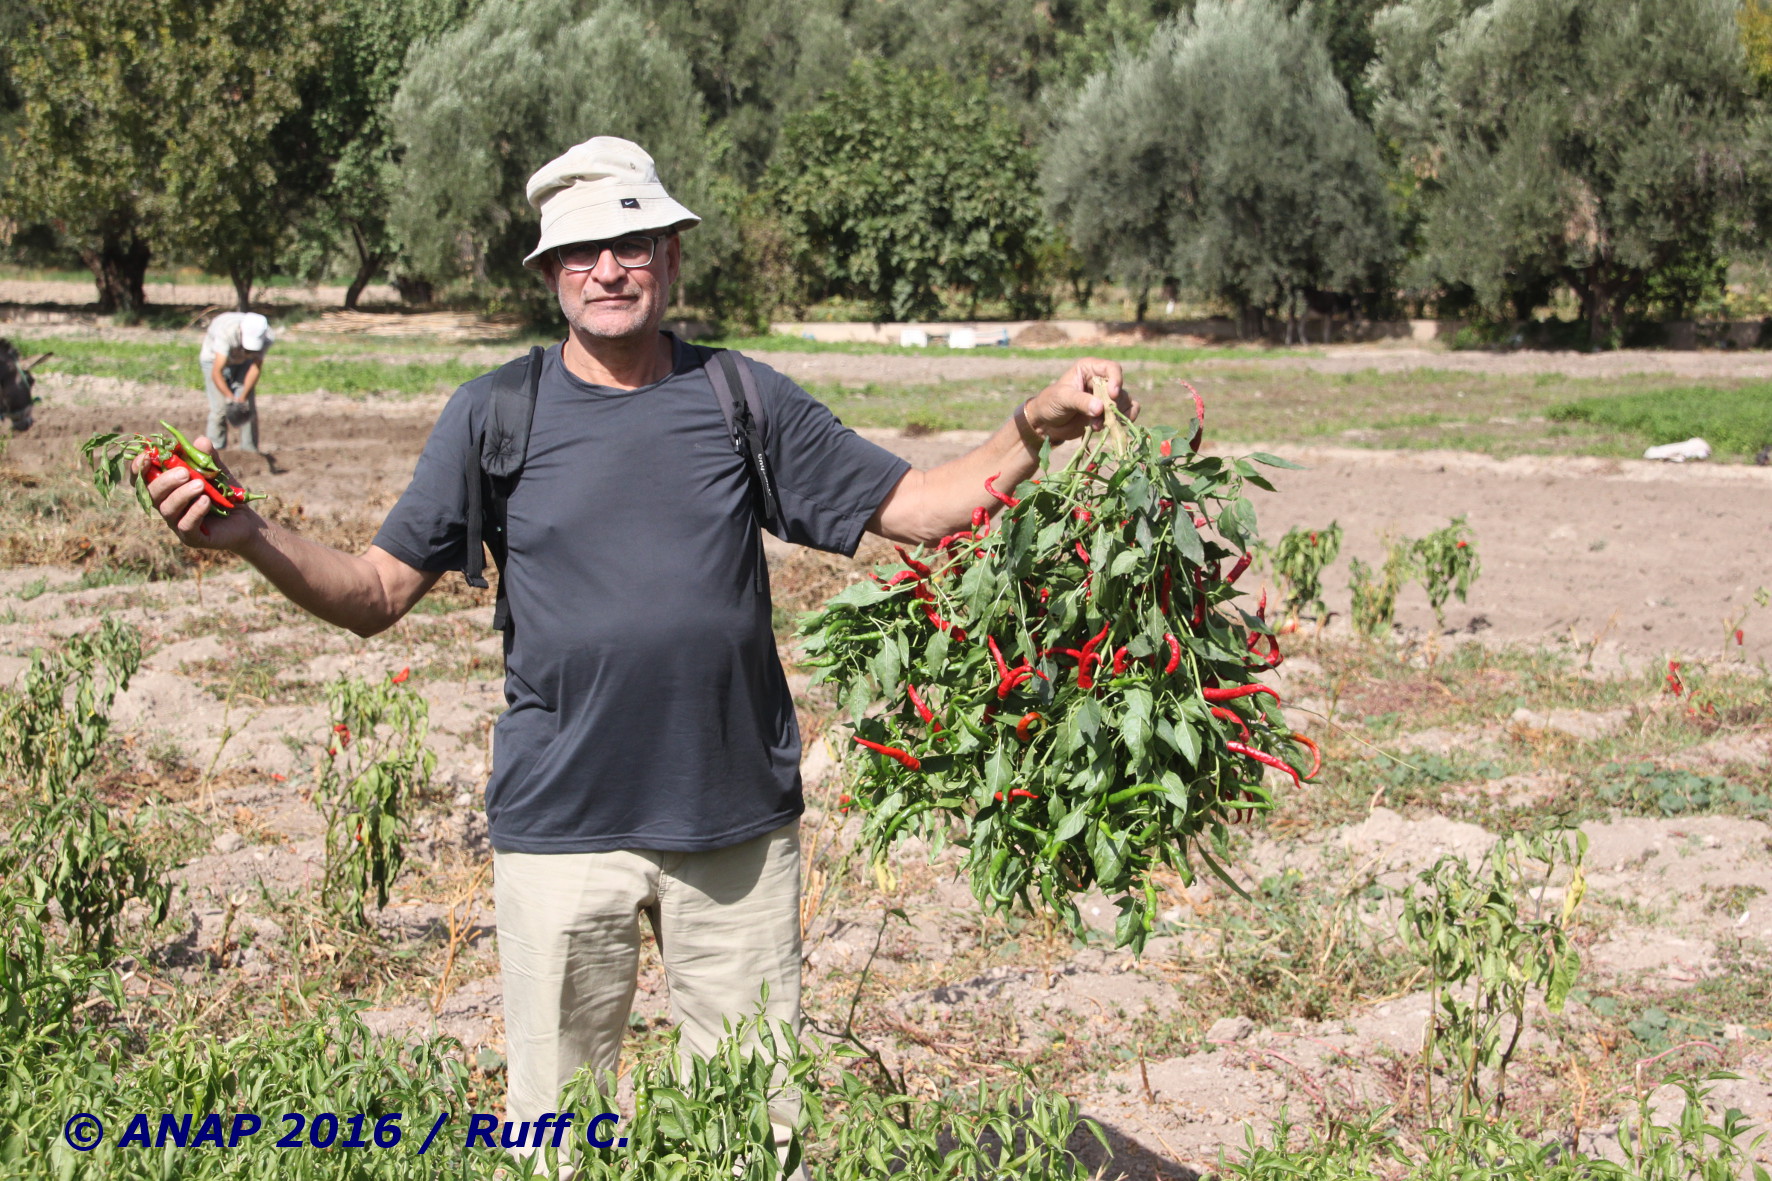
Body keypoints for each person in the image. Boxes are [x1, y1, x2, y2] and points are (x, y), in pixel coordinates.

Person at [141, 136, 1135, 1173]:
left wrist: (1036, 422)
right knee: (554, 1140)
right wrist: (250, 535)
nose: (607, 269)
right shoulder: (494, 413)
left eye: (632, 243)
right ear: (546, 274)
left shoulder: (738, 396)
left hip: (734, 830)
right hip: (562, 830)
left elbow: (920, 507)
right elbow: (375, 592)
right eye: (581, 251)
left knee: (753, 1136)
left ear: (669, 257)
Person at [198, 310, 273, 453]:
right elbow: (217, 372)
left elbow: (255, 368)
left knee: (246, 406)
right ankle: (214, 449)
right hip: (213, 360)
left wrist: (242, 397)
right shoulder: (226, 332)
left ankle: (250, 449)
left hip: (244, 361)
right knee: (219, 409)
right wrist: (229, 397)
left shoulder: (267, 337)